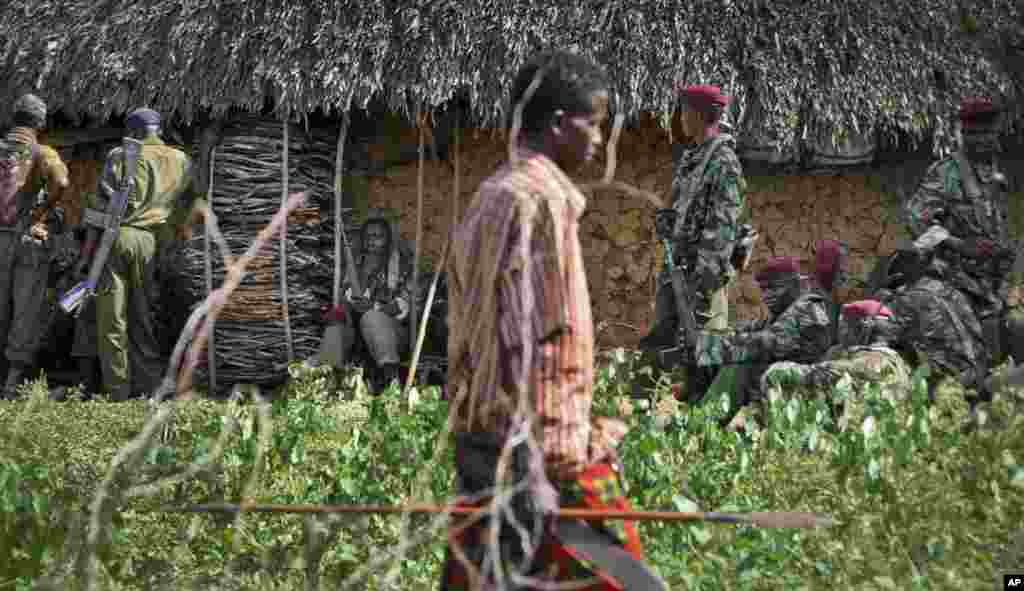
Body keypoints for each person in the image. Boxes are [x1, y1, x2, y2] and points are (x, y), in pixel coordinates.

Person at [441, 50, 658, 590]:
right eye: (595, 124)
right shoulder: (543, 203)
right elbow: (533, 336)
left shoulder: (491, 197)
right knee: (625, 580)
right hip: (536, 453)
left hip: (482, 441)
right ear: (560, 124)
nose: (601, 141)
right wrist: (546, 460)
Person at [74, 107, 205, 401]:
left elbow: (99, 209)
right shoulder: (181, 160)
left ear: (132, 131)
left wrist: (85, 257)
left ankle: (118, 390)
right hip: (152, 242)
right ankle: (148, 385)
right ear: (157, 130)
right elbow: (195, 199)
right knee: (143, 315)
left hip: (117, 238)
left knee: (113, 319)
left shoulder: (121, 156)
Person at [640, 83, 751, 402]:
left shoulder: (724, 162)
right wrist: (666, 220)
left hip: (702, 276)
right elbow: (680, 206)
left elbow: (723, 222)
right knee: (661, 337)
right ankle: (642, 405)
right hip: (677, 267)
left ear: (700, 115)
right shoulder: (693, 158)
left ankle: (705, 418)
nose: (680, 117)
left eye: (685, 111)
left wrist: (703, 279)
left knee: (704, 347)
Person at [902, 97, 1015, 407]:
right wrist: (956, 244)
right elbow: (916, 222)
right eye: (974, 133)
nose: (982, 139)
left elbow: (998, 227)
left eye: (987, 132)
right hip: (954, 287)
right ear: (963, 134)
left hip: (990, 288)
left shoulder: (994, 175)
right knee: (967, 376)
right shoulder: (945, 173)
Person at [682, 256, 834, 428]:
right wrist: (706, 340)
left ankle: (704, 424)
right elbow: (749, 330)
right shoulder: (782, 309)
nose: (767, 295)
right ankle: (693, 408)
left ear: (795, 284)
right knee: (712, 356)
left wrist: (713, 346)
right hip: (773, 379)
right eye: (763, 289)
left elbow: (769, 342)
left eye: (773, 288)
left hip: (801, 384)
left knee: (740, 361)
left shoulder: (809, 307)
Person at [0, 94, 70, 396]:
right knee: (25, 309)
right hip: (25, 238)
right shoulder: (43, 153)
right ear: (40, 123)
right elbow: (62, 183)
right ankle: (11, 383)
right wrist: (39, 214)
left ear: (13, 117)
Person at [760, 299, 911, 423]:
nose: (841, 333)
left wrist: (778, 369)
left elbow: (818, 374)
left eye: (846, 326)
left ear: (863, 328)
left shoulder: (874, 362)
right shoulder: (896, 361)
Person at [325, 214, 413, 389]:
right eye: (368, 237)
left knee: (371, 317)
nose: (371, 241)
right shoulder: (356, 264)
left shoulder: (401, 265)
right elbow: (347, 295)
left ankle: (391, 381)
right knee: (336, 315)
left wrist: (374, 307)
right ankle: (332, 377)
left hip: (392, 334)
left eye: (377, 236)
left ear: (387, 239)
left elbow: (403, 307)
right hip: (357, 334)